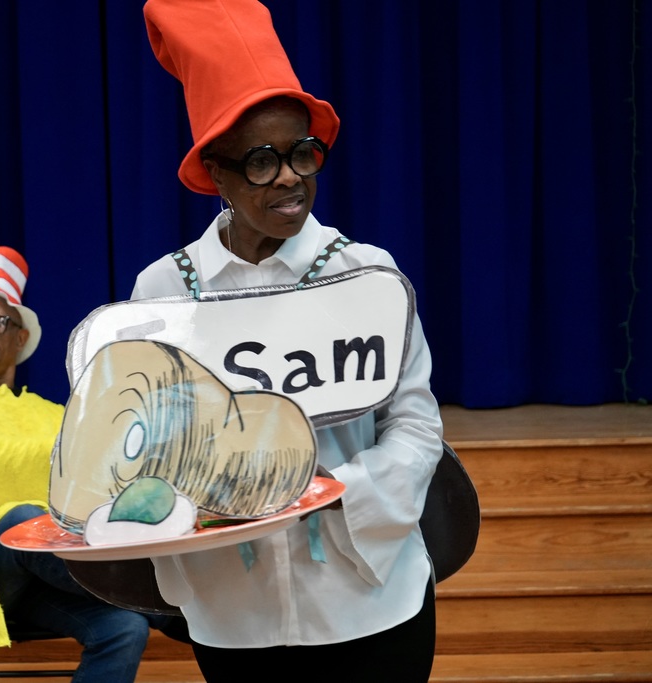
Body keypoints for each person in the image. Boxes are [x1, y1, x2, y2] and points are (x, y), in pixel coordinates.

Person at [131, 1, 444, 680]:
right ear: (215, 172)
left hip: (370, 603)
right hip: (233, 615)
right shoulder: (163, 292)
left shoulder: (367, 274)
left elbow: (416, 427)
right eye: (261, 160)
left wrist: (331, 490)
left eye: (303, 152)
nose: (290, 177)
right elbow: (148, 444)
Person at [0, 246, 161, 683]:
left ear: (20, 338)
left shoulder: (52, 412)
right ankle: (161, 599)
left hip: (44, 568)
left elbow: (95, 480)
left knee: (124, 629)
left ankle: (152, 603)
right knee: (19, 518)